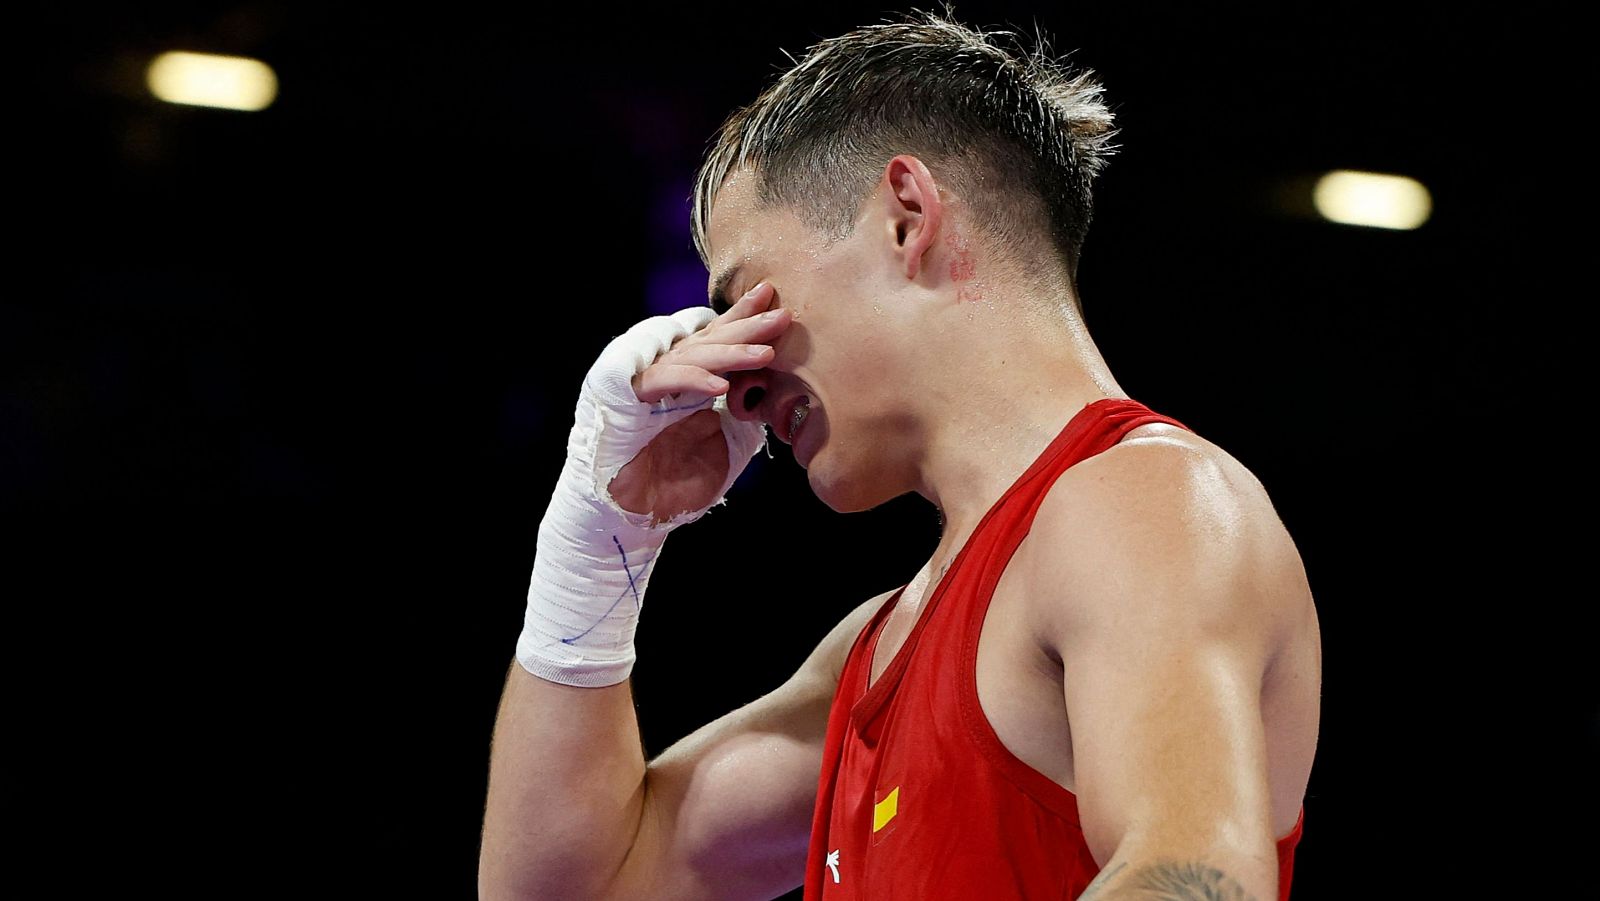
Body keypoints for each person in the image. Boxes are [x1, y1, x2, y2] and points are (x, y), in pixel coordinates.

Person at [479, 9, 1321, 900]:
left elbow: (1196, 877)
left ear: (905, 217)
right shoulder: (876, 652)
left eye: (744, 298)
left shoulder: (1148, 501)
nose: (738, 377)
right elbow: (571, 886)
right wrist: (600, 532)